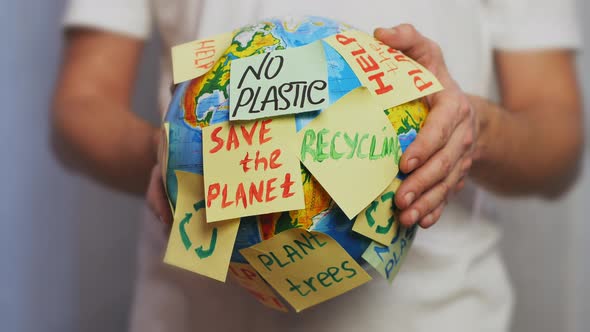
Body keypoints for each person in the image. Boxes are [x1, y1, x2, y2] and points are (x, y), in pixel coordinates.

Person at [52, 0, 583, 331]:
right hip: (194, 316)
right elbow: (79, 108)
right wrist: (175, 153)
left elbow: (558, 140)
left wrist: (474, 132)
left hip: (439, 315)